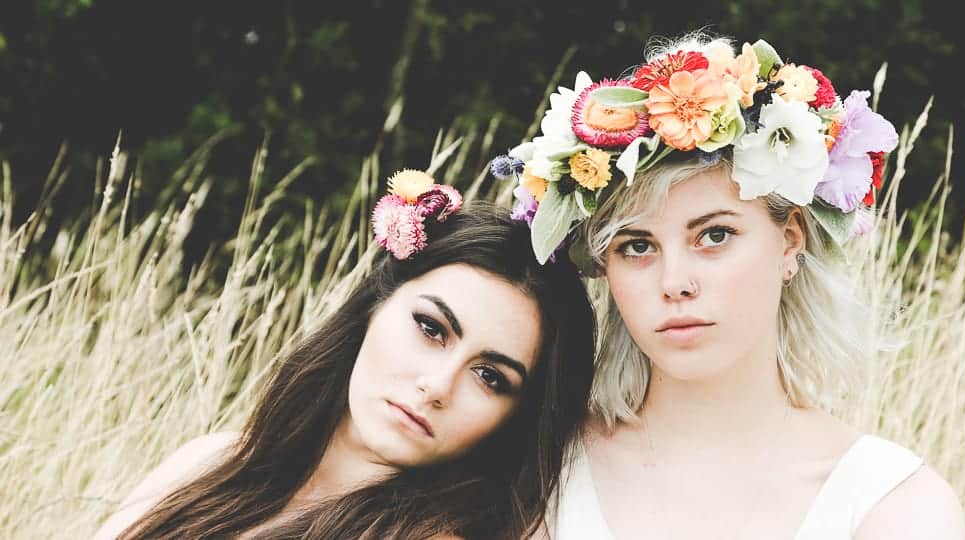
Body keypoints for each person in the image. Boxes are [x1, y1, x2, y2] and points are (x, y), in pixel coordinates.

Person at [492, 32, 965, 539]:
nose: (675, 283)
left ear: (789, 242)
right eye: (637, 245)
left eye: (714, 235)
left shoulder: (893, 505)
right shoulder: (537, 477)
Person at [92, 171, 596, 540]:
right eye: (431, 329)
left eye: (489, 376)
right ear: (376, 307)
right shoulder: (208, 464)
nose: (438, 385)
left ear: (516, 416)